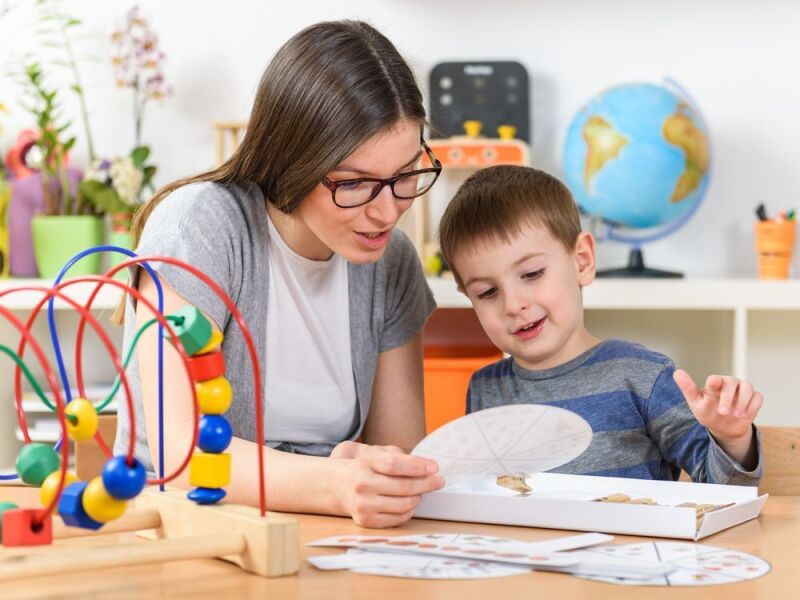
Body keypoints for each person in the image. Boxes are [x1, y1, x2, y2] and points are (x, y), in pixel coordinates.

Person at [113, 20, 446, 528]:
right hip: (185, 535)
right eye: (355, 183)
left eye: (405, 176)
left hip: (325, 541)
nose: (387, 212)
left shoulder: (391, 261)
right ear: (293, 161)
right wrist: (334, 483)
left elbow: (395, 451)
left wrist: (386, 477)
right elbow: (179, 454)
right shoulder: (200, 227)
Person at [437, 165, 763, 485]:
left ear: (582, 261)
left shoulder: (641, 375)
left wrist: (731, 438)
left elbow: (725, 490)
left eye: (532, 274)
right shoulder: (484, 390)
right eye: (487, 292)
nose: (513, 304)